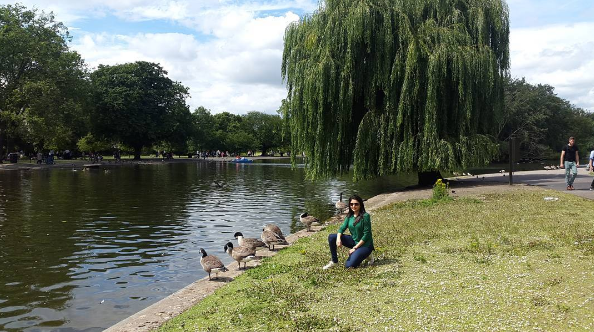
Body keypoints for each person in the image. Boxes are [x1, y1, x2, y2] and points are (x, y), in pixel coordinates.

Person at [323, 195, 374, 269]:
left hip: (365, 245)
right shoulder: (350, 216)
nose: (354, 206)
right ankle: (334, 262)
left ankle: (368, 255)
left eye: (356, 204)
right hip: (354, 240)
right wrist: (338, 239)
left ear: (360, 205)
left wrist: (355, 248)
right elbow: (342, 228)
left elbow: (367, 235)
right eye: (351, 204)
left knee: (349, 266)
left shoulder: (365, 216)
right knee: (332, 237)